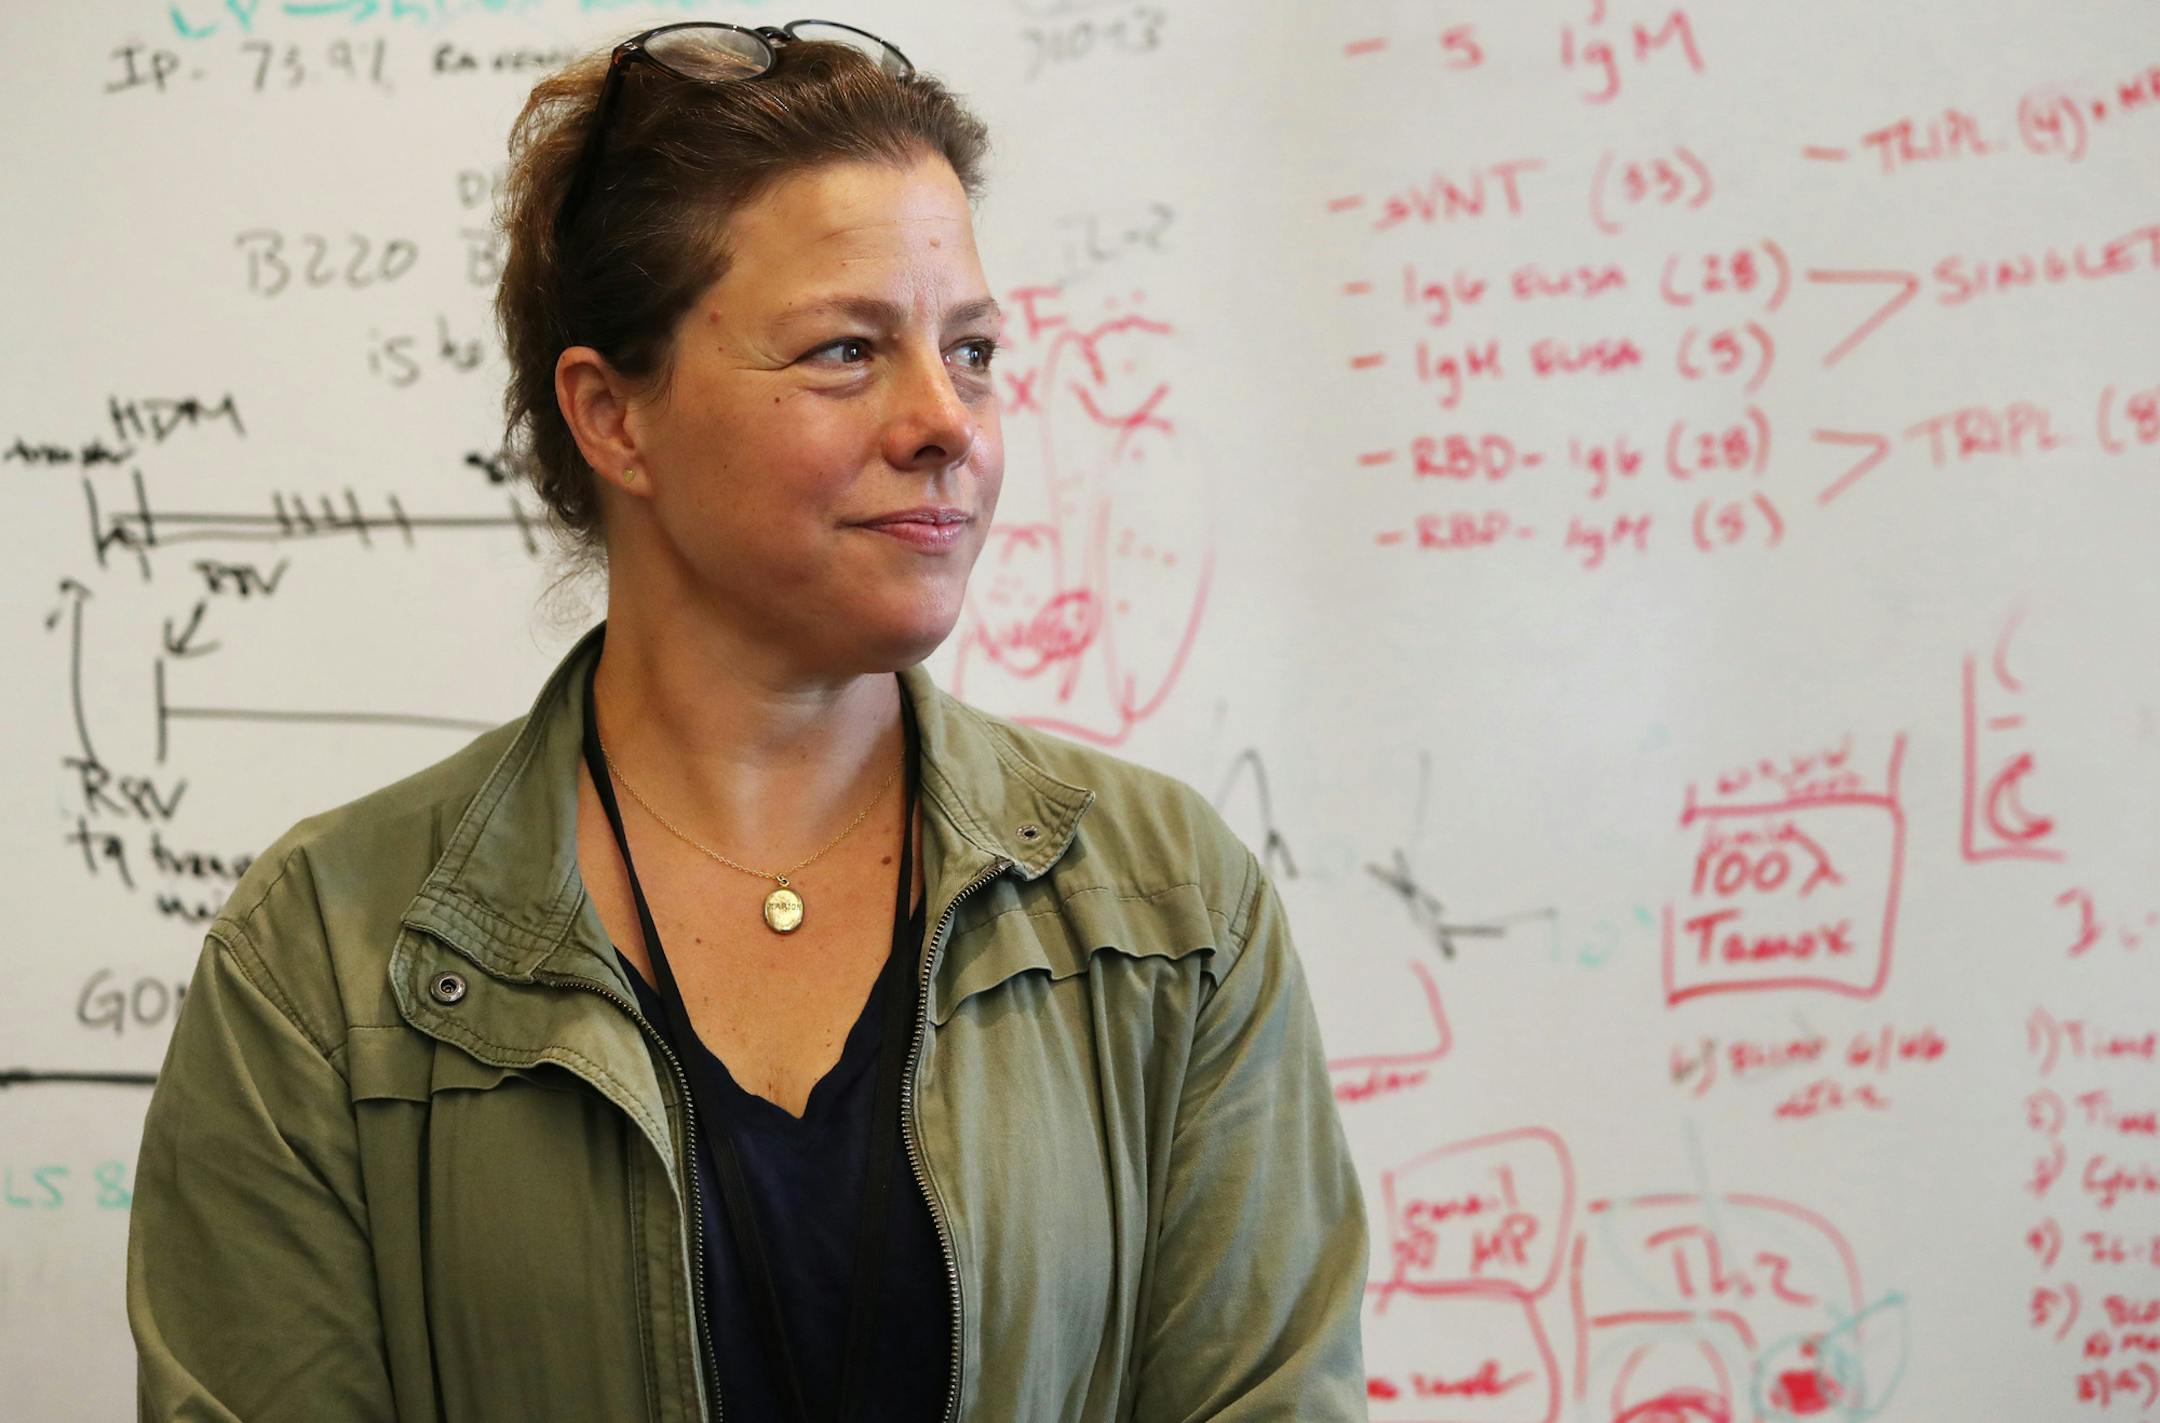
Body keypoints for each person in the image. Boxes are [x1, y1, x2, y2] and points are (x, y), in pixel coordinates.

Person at [126, 21, 1369, 1421]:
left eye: (970, 350)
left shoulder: (1165, 912)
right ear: (613, 418)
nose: (945, 420)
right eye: (848, 350)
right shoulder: (323, 966)